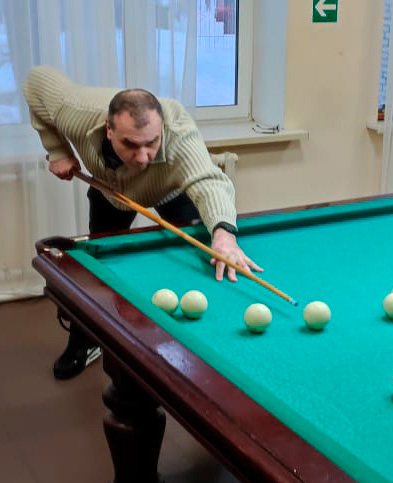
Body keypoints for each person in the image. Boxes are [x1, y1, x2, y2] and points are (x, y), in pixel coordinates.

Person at [23, 66, 262, 379]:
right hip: (111, 192)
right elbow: (37, 82)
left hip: (171, 190)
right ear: (109, 130)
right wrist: (57, 150)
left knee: (200, 260)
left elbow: (208, 182)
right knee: (99, 269)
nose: (143, 157)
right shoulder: (76, 111)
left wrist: (224, 234)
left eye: (151, 143)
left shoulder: (179, 135)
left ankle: (205, 340)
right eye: (131, 144)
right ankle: (85, 339)